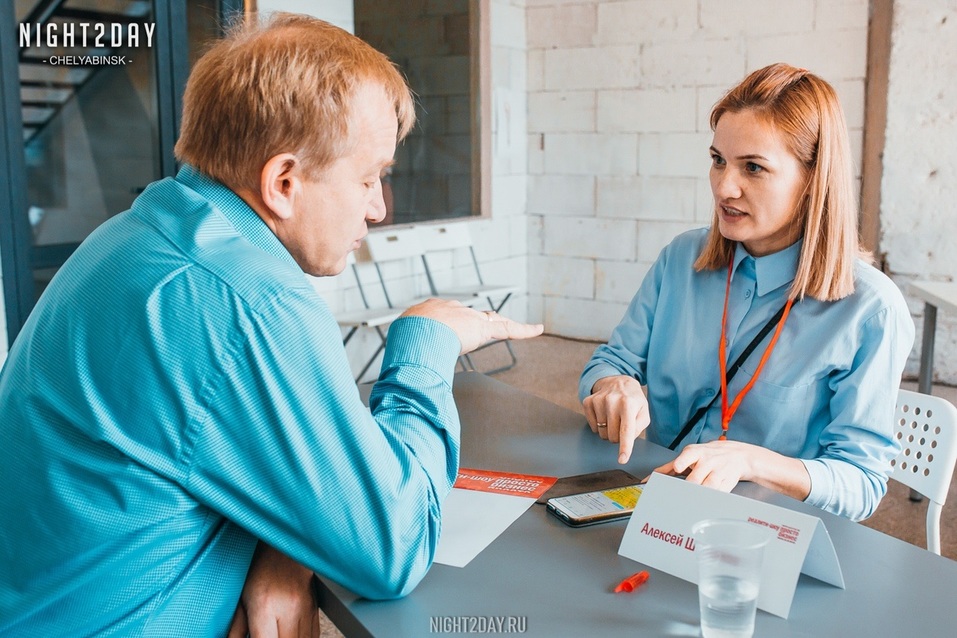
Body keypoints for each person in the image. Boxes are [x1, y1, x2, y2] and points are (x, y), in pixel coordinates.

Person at [0, 13, 542, 636]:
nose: (379, 208)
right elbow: (392, 545)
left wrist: (282, 550)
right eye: (369, 179)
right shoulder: (250, 301)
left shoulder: (135, 237)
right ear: (283, 183)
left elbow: (208, 444)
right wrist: (425, 342)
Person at [579, 63, 914, 523]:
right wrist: (612, 386)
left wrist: (752, 462)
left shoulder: (871, 309)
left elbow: (861, 484)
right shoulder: (681, 259)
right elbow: (613, 361)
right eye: (718, 160)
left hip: (764, 531)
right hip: (650, 504)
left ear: (814, 180)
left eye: (753, 167)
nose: (724, 187)